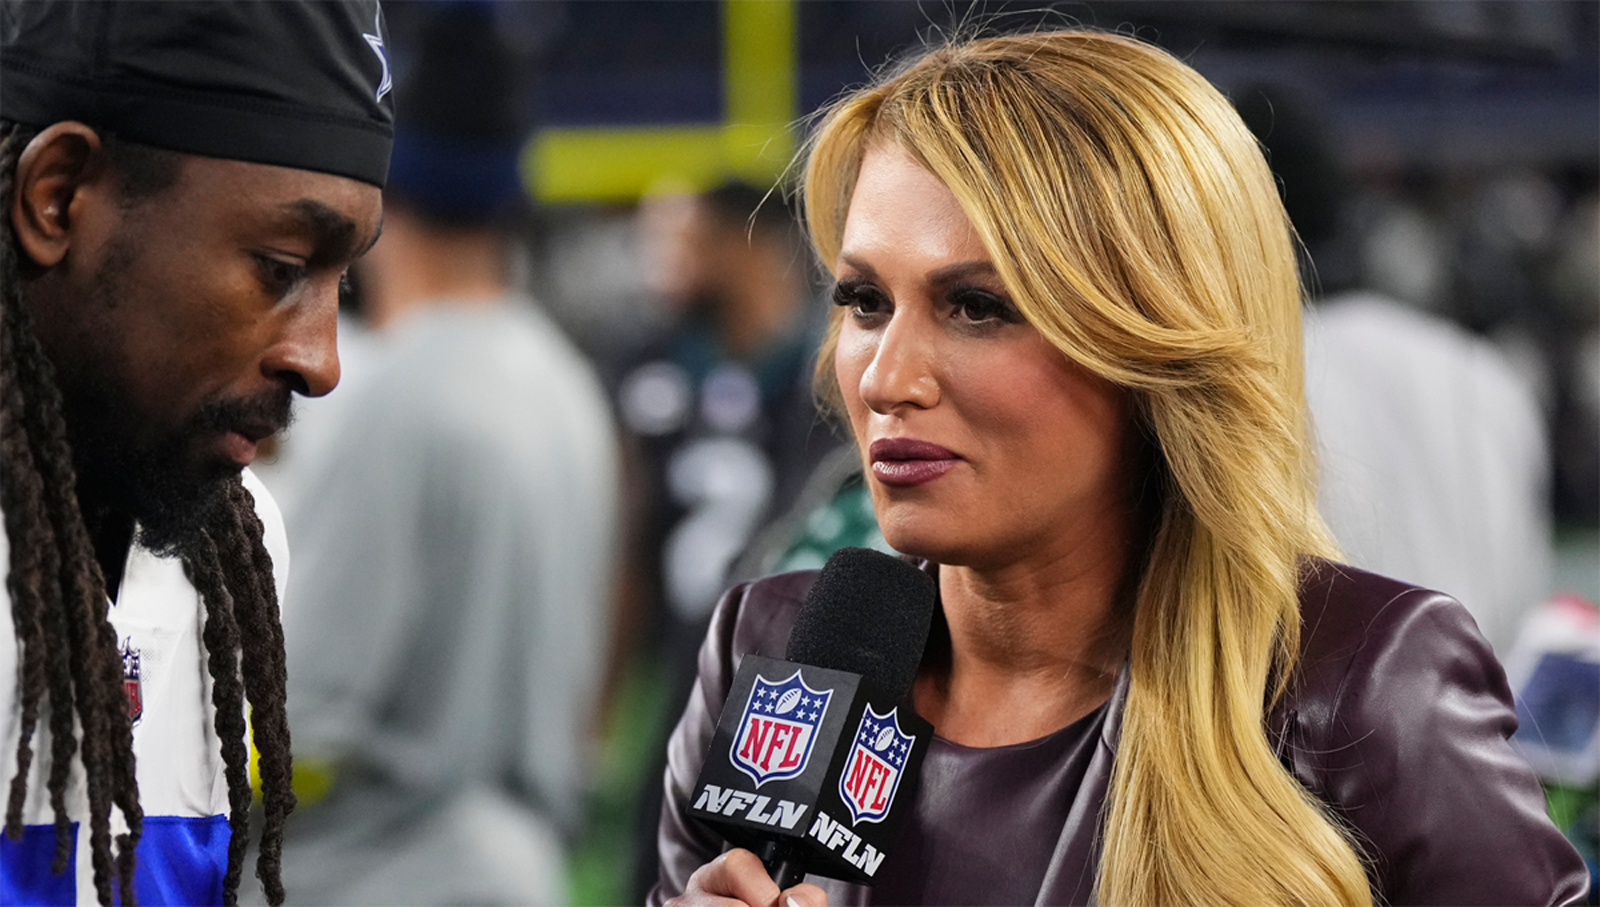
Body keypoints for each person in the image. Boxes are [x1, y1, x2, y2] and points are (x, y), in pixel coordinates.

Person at [652, 29, 1589, 907]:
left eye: (977, 306)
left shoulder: (1361, 686)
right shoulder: (770, 650)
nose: (888, 377)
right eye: (864, 300)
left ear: (1152, 347)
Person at [0, 2, 389, 905]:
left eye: (347, 279)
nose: (323, 361)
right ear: (56, 198)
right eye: (282, 266)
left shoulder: (232, 544)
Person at [266, 8, 620, 905]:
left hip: (381, 876)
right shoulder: (567, 384)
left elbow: (306, 706)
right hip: (525, 866)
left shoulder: (394, 390)